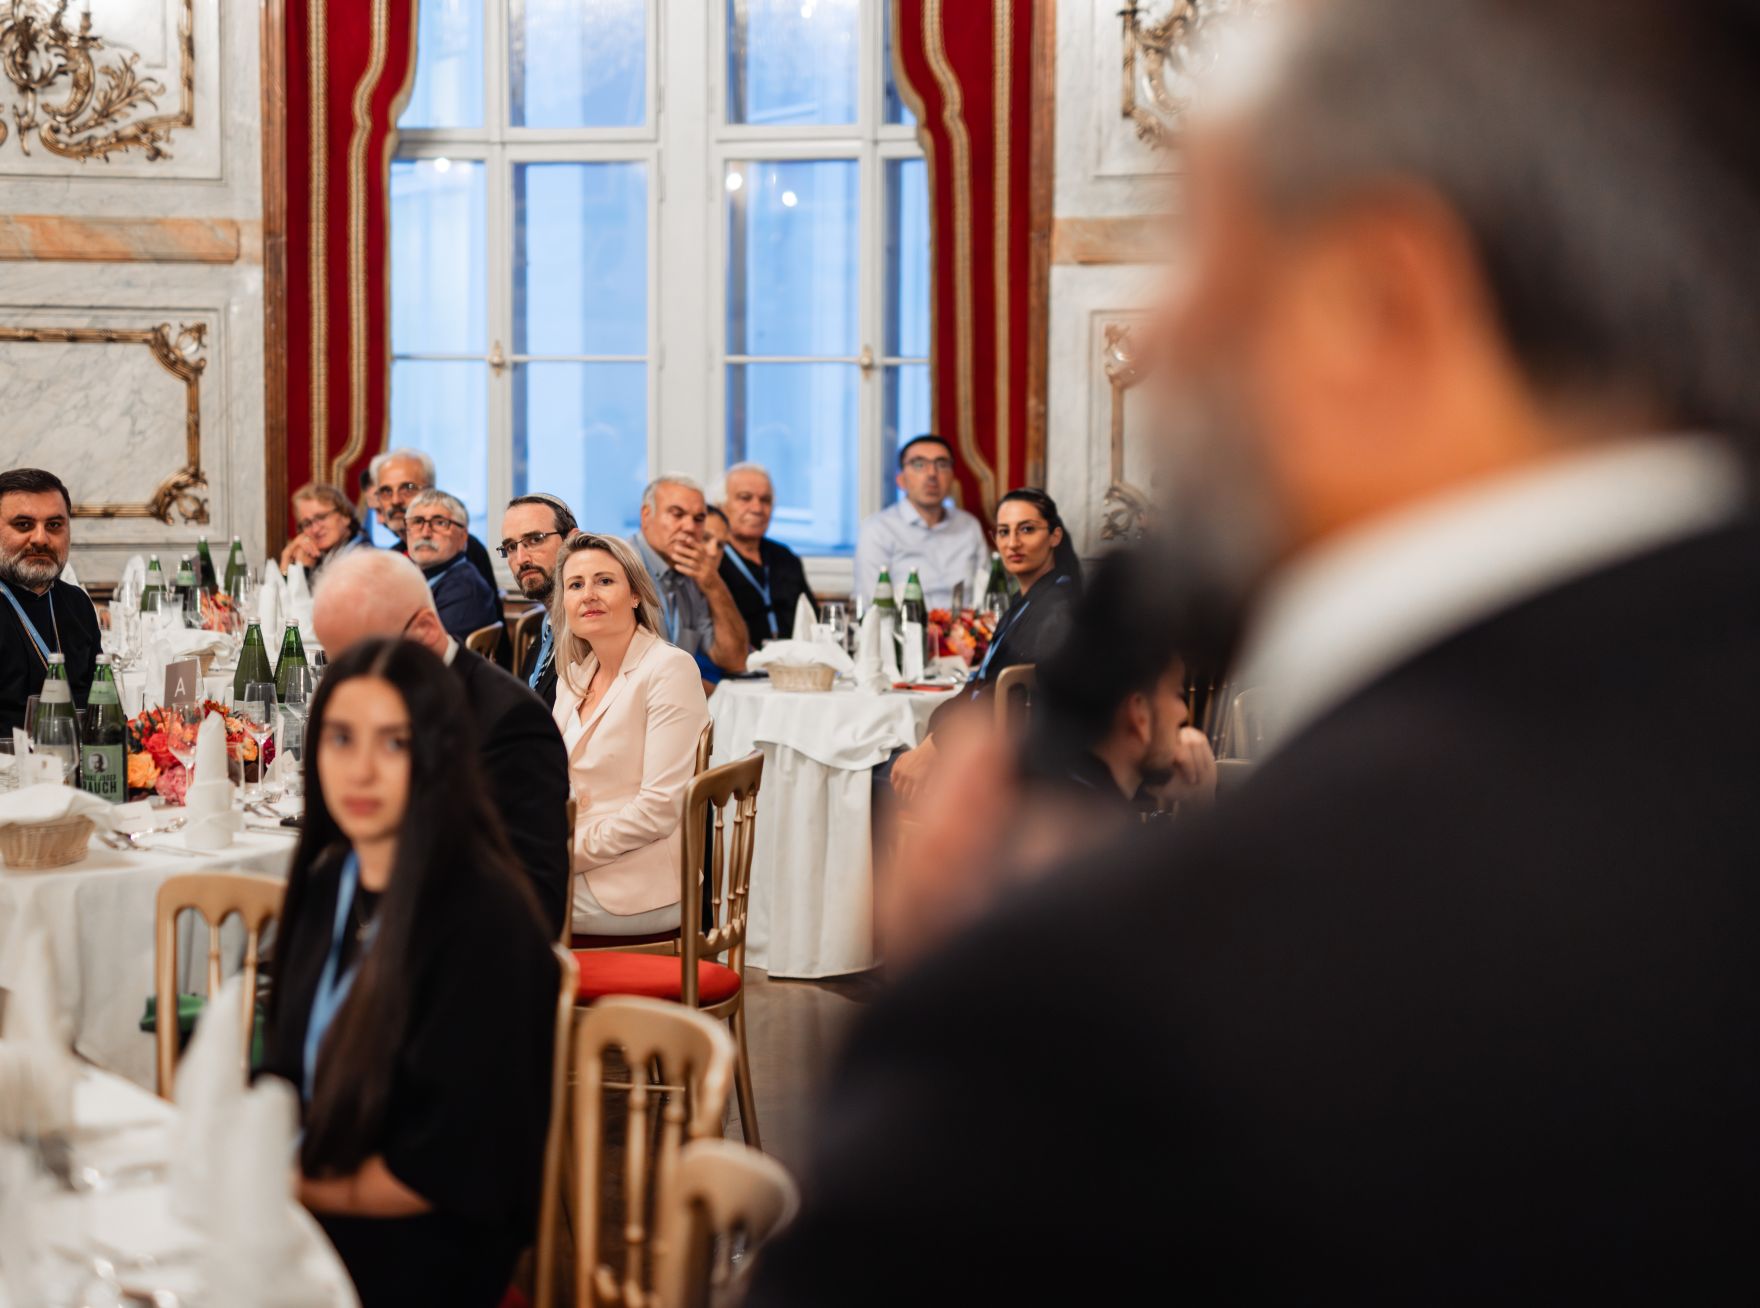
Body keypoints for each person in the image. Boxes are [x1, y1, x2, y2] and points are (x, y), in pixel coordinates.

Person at [749, 1, 1760, 1301]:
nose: (1156, 342)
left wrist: (948, 1038)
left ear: (1382, 299)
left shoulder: (1116, 1005)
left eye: (1203, 251)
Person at [260, 638, 558, 1308]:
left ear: (439, 753)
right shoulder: (331, 881)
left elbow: (448, 1172)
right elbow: (285, 1068)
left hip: (422, 1254)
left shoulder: (486, 922)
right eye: (341, 738)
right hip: (312, 1213)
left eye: (394, 743)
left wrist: (276, 1184)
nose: (360, 771)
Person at [312, 550, 571, 937]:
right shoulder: (363, 713)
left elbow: (534, 904)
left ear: (424, 630)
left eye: (365, 660)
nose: (349, 684)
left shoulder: (508, 721)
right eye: (337, 665)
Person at [550, 533, 710, 936]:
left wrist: (563, 853)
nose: (589, 595)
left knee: (482, 901)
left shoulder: (669, 669)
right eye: (575, 585)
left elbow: (658, 809)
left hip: (637, 881)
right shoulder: (573, 677)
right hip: (574, 864)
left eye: (604, 581)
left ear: (636, 594)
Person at [887, 488, 1083, 803]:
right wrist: (932, 743)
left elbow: (1011, 695)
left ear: (1055, 536)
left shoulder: (1057, 608)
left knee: (868, 776)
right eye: (1004, 532)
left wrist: (938, 745)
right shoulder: (1026, 599)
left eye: (1027, 529)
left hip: (1016, 771)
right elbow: (979, 686)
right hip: (981, 749)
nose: (1013, 543)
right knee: (883, 759)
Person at [0, 468, 100, 735]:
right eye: (24, 525)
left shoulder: (77, 603)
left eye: (54, 525)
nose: (41, 539)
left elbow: (101, 703)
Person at [629, 474, 749, 678]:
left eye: (699, 519)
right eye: (677, 514)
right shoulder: (619, 566)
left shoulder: (695, 574)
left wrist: (714, 585)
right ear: (646, 515)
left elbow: (735, 660)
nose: (690, 527)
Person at [853, 434, 987, 610]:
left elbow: (986, 594)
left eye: (942, 464)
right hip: (903, 626)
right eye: (919, 464)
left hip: (966, 625)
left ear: (952, 477)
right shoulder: (878, 529)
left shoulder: (969, 526)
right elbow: (873, 605)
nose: (932, 473)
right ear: (901, 479)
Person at [369, 448, 497, 594]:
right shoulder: (393, 556)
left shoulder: (458, 546)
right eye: (386, 491)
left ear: (431, 492)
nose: (395, 500)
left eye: (408, 488)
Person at [715, 463, 816, 647]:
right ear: (720, 505)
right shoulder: (713, 558)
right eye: (745, 498)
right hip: (740, 661)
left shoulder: (785, 557)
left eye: (765, 500)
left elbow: (814, 621)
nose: (757, 508)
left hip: (795, 659)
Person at [500, 492, 577, 709]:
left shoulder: (591, 631)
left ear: (571, 540)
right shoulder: (547, 626)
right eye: (511, 547)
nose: (521, 559)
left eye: (535, 540)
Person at [405, 489, 502, 650]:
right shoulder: (418, 579)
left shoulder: (465, 591)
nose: (425, 533)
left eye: (440, 523)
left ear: (463, 537)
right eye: (417, 521)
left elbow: (426, 656)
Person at [280, 483, 372, 578]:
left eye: (321, 517)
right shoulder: (321, 556)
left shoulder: (363, 555)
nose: (315, 529)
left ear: (345, 515)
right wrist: (286, 562)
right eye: (307, 523)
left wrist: (304, 570)